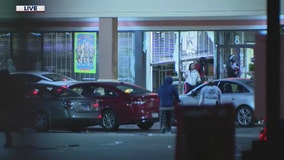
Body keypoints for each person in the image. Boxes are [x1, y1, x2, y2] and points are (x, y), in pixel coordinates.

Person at [0, 69, 26, 148]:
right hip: (10, 105)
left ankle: (8, 139)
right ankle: (9, 138)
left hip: (5, 105)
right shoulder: (12, 81)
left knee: (5, 123)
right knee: (7, 122)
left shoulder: (3, 82)